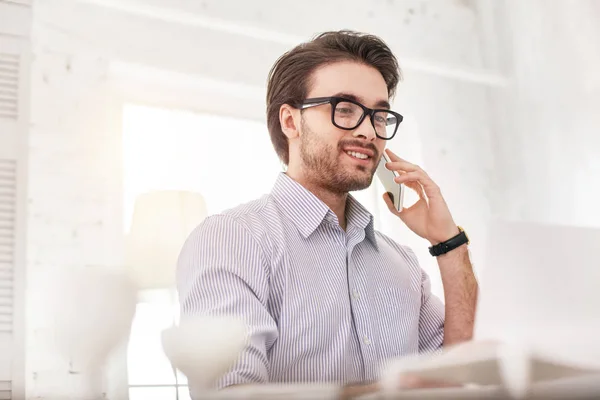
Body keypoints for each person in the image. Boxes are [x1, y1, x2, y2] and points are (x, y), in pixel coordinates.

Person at [176, 30, 478, 396]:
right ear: (291, 122)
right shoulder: (231, 239)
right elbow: (231, 394)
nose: (369, 131)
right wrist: (389, 392)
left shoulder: (401, 263)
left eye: (379, 115)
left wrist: (448, 242)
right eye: (345, 109)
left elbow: (461, 373)